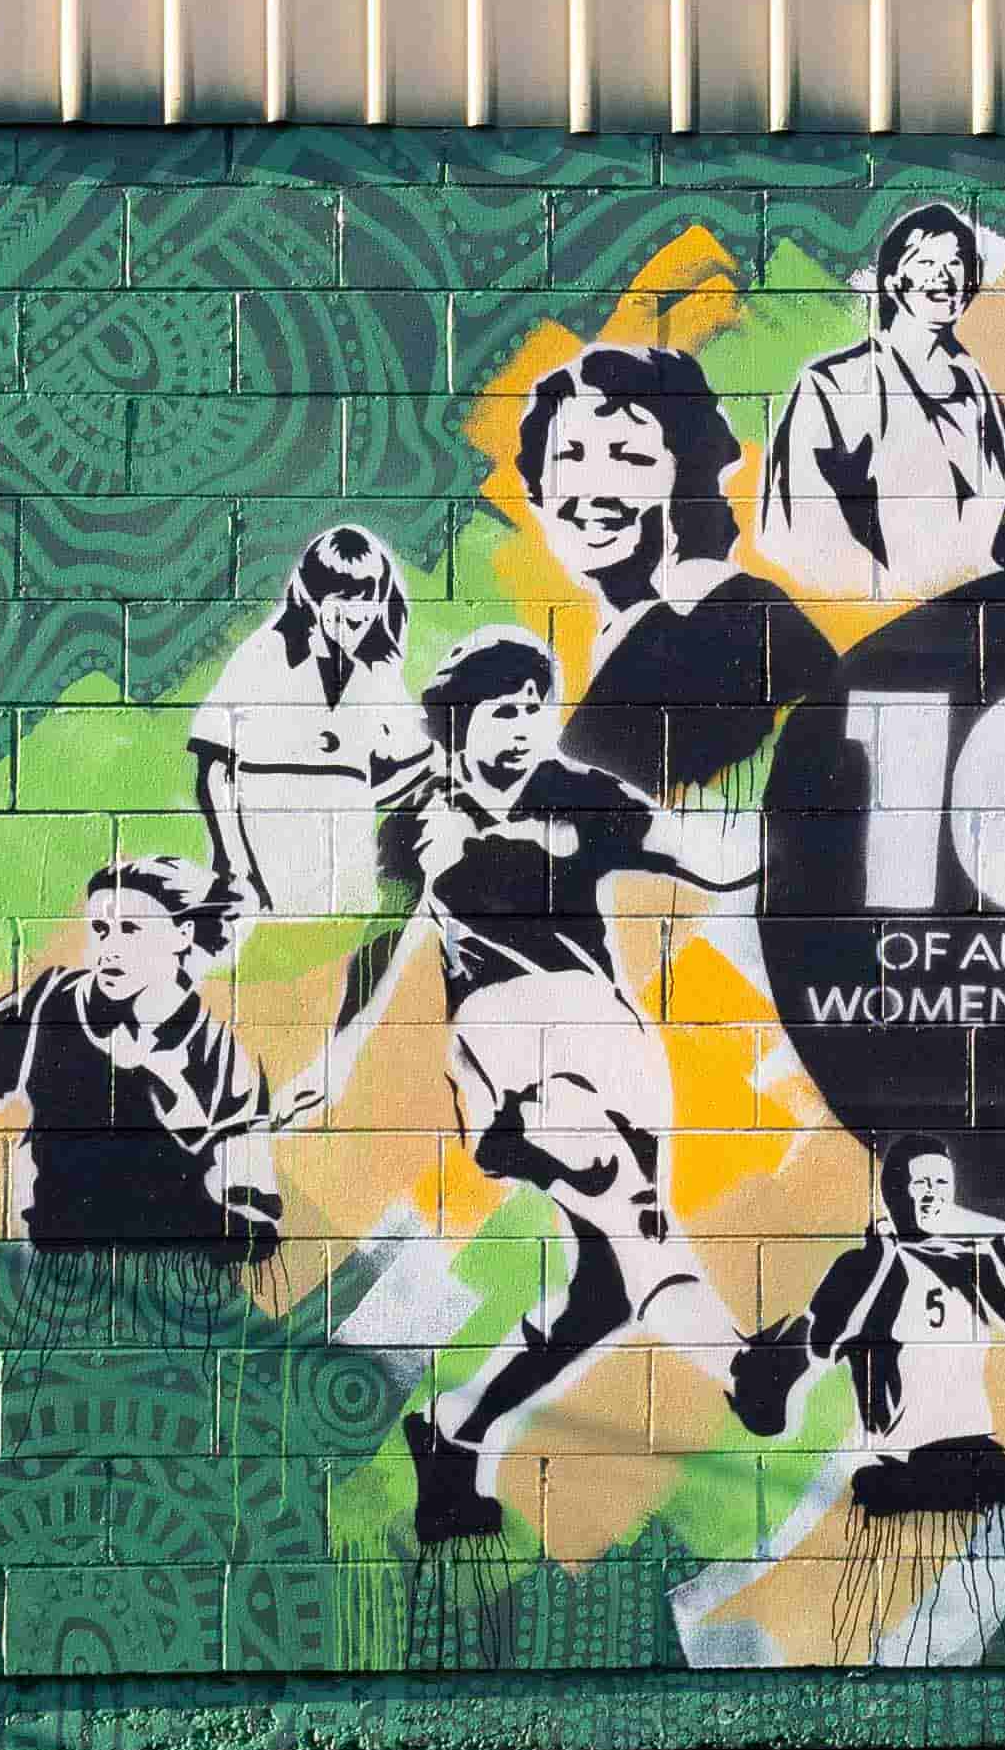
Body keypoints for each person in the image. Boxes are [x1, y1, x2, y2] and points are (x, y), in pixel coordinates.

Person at [293, 632, 766, 1539]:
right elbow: (382, 947)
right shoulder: (420, 816)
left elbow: (706, 857)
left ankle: (456, 1435)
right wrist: (333, 1059)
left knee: (610, 1289)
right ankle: (743, 1367)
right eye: (499, 712)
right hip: (508, 1038)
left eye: (531, 711)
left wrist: (807, 829)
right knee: (628, 1211)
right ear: (457, 721)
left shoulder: (579, 796)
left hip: (606, 1041)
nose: (519, 730)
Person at [513, 338, 829, 798]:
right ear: (538, 492)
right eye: (569, 457)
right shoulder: (636, 632)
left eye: (630, 458)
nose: (594, 489)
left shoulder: (739, 623)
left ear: (689, 478)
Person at [0, 859, 280, 1258]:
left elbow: (257, 1227)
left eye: (131, 929)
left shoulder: (216, 1055)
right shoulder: (52, 1001)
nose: (109, 949)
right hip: (57, 1274)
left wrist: (172, 1095)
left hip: (171, 1287)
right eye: (101, 931)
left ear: (182, 934)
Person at [728, 1142, 1005, 1515]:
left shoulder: (970, 1265)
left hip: (976, 1463)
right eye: (923, 1183)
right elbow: (807, 1355)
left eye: (942, 1182)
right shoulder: (865, 1269)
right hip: (902, 1474)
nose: (934, 1193)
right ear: (895, 1190)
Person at [765, 198, 1005, 600]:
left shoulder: (975, 388)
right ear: (892, 280)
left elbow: (1003, 508)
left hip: (978, 615)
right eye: (925, 263)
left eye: (955, 264)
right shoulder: (834, 385)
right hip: (887, 627)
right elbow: (796, 527)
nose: (943, 277)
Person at [188, 527, 428, 922]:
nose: (355, 614)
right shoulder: (263, 656)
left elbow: (405, 765)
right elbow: (214, 768)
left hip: (346, 875)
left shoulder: (375, 673)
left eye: (366, 600)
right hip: (268, 864)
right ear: (311, 597)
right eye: (341, 600)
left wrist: (356, 791)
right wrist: (234, 865)